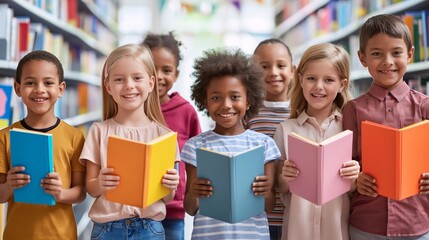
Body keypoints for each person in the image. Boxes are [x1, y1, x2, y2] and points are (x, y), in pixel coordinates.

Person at [79, 44, 180, 239]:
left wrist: (170, 186)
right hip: (107, 229)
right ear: (108, 86)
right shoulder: (99, 131)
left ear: (151, 84)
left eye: (137, 78)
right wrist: (100, 182)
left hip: (149, 229)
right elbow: (91, 188)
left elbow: (167, 198)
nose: (129, 85)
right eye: (119, 79)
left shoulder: (164, 136)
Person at [342, 14, 429, 239]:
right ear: (362, 58)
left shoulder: (425, 107)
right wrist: (355, 179)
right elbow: (342, 165)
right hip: (367, 224)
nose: (388, 61)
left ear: (409, 54)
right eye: (377, 54)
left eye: (396, 52)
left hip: (416, 222)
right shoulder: (353, 110)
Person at [181, 48, 281, 239]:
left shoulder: (264, 145)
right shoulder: (195, 146)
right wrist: (194, 191)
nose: (226, 105)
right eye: (216, 98)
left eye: (235, 97)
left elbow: (269, 206)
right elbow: (190, 208)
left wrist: (266, 190)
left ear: (248, 101)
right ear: (205, 102)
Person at [273, 43, 360, 240]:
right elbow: (280, 187)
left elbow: (355, 190)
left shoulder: (350, 129)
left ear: (342, 85)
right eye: (311, 78)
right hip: (298, 231)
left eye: (329, 80)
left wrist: (355, 177)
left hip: (336, 231)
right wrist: (286, 176)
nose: (318, 86)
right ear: (301, 80)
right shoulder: (286, 129)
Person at [0, 50, 86, 239]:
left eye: (48, 83)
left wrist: (61, 194)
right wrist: (9, 186)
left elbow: (81, 192)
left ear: (61, 89)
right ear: (18, 88)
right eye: (30, 82)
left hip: (61, 235)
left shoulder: (75, 137)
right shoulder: (5, 137)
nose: (39, 89)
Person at [142, 32, 202, 240]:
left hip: (173, 210)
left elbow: (198, 159)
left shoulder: (186, 112)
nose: (159, 76)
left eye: (166, 70)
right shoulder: (129, 109)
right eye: (151, 69)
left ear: (176, 74)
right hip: (135, 208)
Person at [245, 38, 295, 240]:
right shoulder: (247, 113)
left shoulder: (300, 112)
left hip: (292, 215)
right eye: (264, 67)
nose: (273, 72)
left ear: (293, 70)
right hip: (255, 217)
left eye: (281, 66)